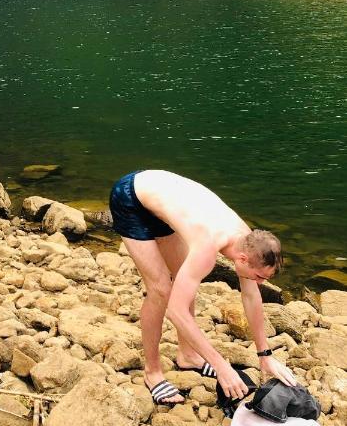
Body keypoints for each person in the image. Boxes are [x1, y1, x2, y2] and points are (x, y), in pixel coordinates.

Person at [109, 170, 296, 406]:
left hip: (160, 199)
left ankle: (187, 356)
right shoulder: (208, 248)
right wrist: (221, 367)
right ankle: (152, 372)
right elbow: (176, 312)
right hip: (131, 199)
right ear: (242, 260)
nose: (259, 282)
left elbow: (250, 296)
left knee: (185, 279)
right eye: (259, 277)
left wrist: (265, 355)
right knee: (161, 290)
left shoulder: (250, 242)